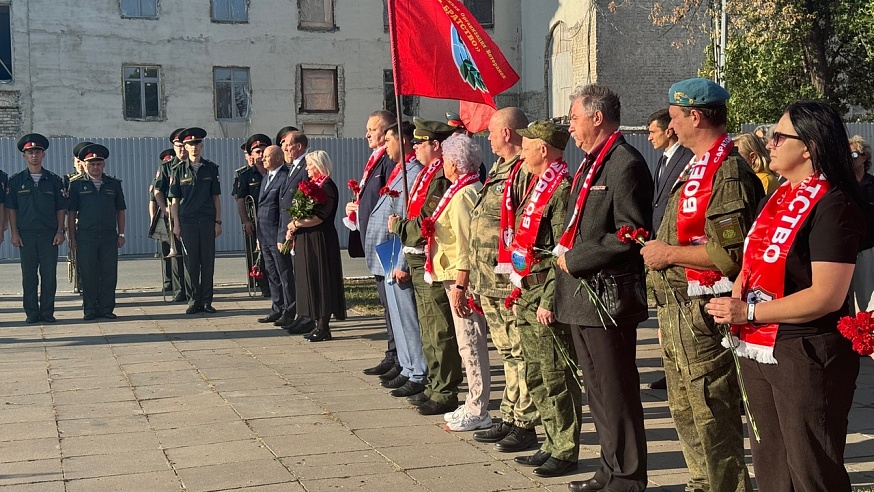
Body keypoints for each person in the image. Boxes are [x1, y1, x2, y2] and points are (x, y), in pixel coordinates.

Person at [706, 101, 869, 492]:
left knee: (811, 471)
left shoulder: (834, 204)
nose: (770, 143)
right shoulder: (778, 195)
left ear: (809, 147)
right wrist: (739, 292)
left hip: (805, 352)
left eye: (779, 136)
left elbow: (827, 296)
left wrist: (747, 310)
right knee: (773, 468)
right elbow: (754, 258)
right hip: (761, 346)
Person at [641, 78, 763, 492]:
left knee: (713, 416)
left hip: (704, 312)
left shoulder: (727, 171)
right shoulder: (698, 164)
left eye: (674, 118)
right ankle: (700, 485)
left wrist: (669, 255)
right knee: (686, 412)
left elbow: (729, 254)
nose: (670, 127)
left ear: (695, 115)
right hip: (678, 310)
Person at [552, 85, 653, 490]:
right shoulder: (593, 163)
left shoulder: (624, 163)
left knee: (617, 391)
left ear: (597, 117)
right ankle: (609, 469)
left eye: (574, 119)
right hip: (581, 298)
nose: (571, 129)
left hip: (605, 297)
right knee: (597, 393)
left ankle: (628, 477)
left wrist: (576, 258)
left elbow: (631, 233)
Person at [498, 120, 579, 477]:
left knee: (557, 376)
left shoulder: (561, 187)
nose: (523, 148)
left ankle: (565, 447)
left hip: (545, 292)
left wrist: (549, 298)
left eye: (527, 144)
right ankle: (550, 441)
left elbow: (563, 248)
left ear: (542, 149)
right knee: (536, 374)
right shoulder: (534, 183)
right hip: (526, 288)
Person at [469, 107, 540, 451]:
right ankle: (510, 414)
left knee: (519, 350)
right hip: (488, 280)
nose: (488, 138)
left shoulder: (524, 171)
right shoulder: (499, 169)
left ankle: (525, 422)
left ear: (508, 133)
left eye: (492, 132)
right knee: (507, 352)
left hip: (508, 281)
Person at [387, 118, 462, 417]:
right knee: (429, 327)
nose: (414, 147)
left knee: (438, 327)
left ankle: (445, 390)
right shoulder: (428, 173)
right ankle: (435, 384)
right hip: (418, 256)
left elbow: (427, 221)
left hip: (429, 255)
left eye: (420, 142)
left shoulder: (440, 178)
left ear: (435, 145)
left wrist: (401, 228)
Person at [424, 133, 491, 432]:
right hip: (453, 275)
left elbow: (466, 244)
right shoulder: (460, 189)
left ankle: (478, 408)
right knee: (467, 342)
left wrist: (462, 286)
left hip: (461, 277)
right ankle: (473, 401)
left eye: (445, 161)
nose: (442, 166)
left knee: (471, 343)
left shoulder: (464, 194)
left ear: (453, 163)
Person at [364, 121, 428, 397]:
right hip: (387, 253)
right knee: (399, 317)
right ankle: (407, 366)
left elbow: (407, 219)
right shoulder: (399, 171)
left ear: (402, 141)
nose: (384, 146)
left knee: (408, 317)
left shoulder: (411, 173)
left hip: (397, 254)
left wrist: (402, 263)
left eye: (387, 141)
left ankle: (417, 370)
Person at [349, 111, 403, 379]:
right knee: (386, 302)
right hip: (376, 242)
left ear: (386, 132)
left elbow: (392, 200)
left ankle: (400, 357)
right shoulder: (376, 160)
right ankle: (393, 353)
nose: (367, 134)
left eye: (372, 129)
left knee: (393, 302)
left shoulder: (390, 161)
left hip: (387, 243)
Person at [6, 133, 68, 324]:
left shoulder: (54, 180)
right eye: (30, 152)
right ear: (24, 155)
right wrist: (14, 233)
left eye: (37, 152)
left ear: (44, 155)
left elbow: (61, 208)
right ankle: (32, 313)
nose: (34, 155)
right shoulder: (16, 181)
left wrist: (60, 231)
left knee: (49, 277)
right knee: (29, 276)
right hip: (26, 235)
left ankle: (47, 313)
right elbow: (11, 209)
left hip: (49, 235)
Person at [285, 150, 346, 342]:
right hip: (306, 239)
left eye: (309, 165)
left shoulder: (327, 187)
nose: (306, 169)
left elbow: (320, 216)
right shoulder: (312, 185)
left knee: (321, 281)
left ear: (319, 166)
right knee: (309, 280)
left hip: (320, 240)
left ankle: (323, 326)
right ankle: (314, 320)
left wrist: (296, 224)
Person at [67, 144, 126, 320]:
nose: (95, 167)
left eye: (98, 163)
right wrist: (72, 237)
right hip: (86, 236)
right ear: (85, 164)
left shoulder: (113, 184)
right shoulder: (76, 185)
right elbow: (71, 213)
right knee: (88, 273)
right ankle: (90, 309)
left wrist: (121, 234)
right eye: (91, 163)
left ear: (104, 165)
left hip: (108, 235)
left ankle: (107, 308)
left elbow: (120, 211)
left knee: (108, 273)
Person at [169, 127, 222, 315]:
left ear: (201, 145)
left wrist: (218, 221)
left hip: (207, 221)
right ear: (185, 146)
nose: (193, 147)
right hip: (188, 222)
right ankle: (193, 300)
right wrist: (176, 224)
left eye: (196, 144)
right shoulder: (177, 170)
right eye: (190, 144)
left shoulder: (211, 168)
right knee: (190, 263)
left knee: (207, 262)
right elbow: (174, 200)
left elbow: (216, 197)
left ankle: (207, 301)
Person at [276, 129, 311, 330]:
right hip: (290, 229)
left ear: (298, 147)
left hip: (301, 230)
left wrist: (294, 226)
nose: (284, 148)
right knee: (295, 275)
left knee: (302, 276)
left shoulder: (306, 166)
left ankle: (307, 316)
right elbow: (285, 204)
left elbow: (307, 199)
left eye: (287, 145)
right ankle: (301, 313)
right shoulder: (292, 167)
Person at [256, 145, 293, 327]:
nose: (263, 159)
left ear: (278, 158)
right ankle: (277, 308)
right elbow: (262, 207)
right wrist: (258, 236)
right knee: (272, 274)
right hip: (264, 235)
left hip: (276, 235)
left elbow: (283, 211)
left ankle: (289, 309)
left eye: (267, 156)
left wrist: (282, 236)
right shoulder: (265, 178)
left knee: (284, 273)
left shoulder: (284, 177)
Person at [153, 129, 188, 302]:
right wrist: (164, 209)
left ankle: (193, 288)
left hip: (191, 214)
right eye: (178, 146)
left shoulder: (195, 166)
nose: (182, 150)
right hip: (172, 216)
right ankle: (179, 289)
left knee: (194, 254)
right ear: (174, 147)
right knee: (175, 254)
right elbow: (158, 191)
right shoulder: (166, 167)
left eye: (184, 146)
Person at [236, 134, 271, 298]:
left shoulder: (276, 171)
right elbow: (241, 200)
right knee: (258, 255)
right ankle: (264, 286)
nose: (261, 154)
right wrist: (245, 221)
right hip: (254, 221)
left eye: (263, 150)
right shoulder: (245, 176)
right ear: (251, 155)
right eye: (257, 151)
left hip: (273, 221)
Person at [849, 135, 874, 314]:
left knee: (866, 296)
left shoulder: (872, 185)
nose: (850, 159)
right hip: (846, 248)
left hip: (866, 247)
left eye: (854, 155)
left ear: (864, 156)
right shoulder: (842, 185)